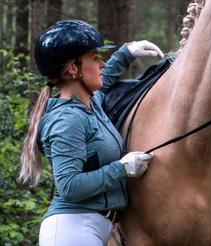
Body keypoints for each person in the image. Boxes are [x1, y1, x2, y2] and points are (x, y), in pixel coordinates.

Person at [18, 19, 164, 246]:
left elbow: (103, 82)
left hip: (94, 227)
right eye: (95, 58)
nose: (103, 64)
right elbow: (69, 186)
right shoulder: (67, 120)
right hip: (71, 231)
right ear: (73, 70)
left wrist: (126, 53)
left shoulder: (90, 104)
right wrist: (121, 169)